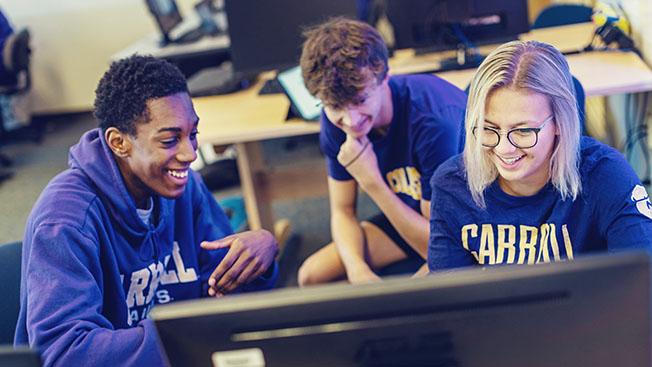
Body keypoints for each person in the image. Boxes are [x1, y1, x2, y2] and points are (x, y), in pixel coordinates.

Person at [14, 55, 279, 366]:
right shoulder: (65, 221)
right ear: (119, 142)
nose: (190, 154)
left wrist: (262, 257)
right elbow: (64, 353)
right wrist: (182, 334)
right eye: (169, 140)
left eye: (192, 134)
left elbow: (222, 294)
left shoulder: (184, 187)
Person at [428, 40, 652, 270]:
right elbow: (451, 300)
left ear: (560, 123)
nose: (504, 148)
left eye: (524, 131)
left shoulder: (604, 175)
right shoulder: (452, 186)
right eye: (489, 129)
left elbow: (643, 280)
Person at [297, 17, 466, 285]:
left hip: (464, 230)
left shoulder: (434, 122)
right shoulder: (335, 116)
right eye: (335, 107)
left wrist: (372, 182)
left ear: (385, 77)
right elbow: (342, 211)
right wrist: (358, 271)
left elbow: (437, 249)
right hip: (408, 212)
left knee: (410, 296)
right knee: (311, 276)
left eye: (360, 100)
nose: (351, 121)